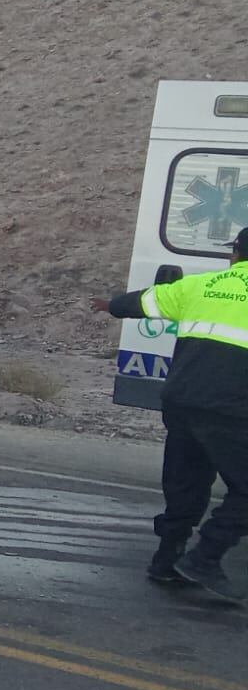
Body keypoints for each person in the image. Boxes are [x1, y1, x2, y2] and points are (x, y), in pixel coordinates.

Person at [94, 226, 248, 601]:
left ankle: (166, 560)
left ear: (235, 255)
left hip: (181, 401)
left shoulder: (200, 285)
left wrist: (109, 304)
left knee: (186, 483)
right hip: (231, 408)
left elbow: (141, 303)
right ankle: (205, 558)